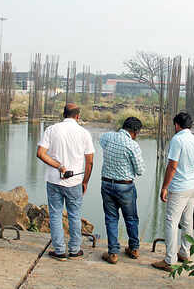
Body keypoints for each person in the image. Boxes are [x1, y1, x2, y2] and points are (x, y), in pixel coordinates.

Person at [37, 103, 94, 261]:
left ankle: (59, 250)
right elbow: (89, 161)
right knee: (74, 215)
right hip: (75, 182)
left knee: (55, 215)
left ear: (64, 114)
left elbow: (40, 153)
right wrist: (85, 181)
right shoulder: (84, 133)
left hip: (54, 181)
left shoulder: (51, 129)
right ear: (77, 116)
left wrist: (59, 166)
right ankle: (75, 250)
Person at [152, 112, 194, 272]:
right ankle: (185, 253)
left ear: (176, 125)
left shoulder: (177, 140)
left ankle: (169, 260)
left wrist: (164, 187)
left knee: (172, 222)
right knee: (188, 221)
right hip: (193, 187)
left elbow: (172, 166)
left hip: (179, 188)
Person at [99, 117, 145, 264]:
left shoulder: (107, 137)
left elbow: (101, 142)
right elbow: (140, 171)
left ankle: (113, 253)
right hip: (125, 186)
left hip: (106, 184)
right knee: (131, 218)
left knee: (111, 218)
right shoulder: (133, 145)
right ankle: (134, 249)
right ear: (135, 132)